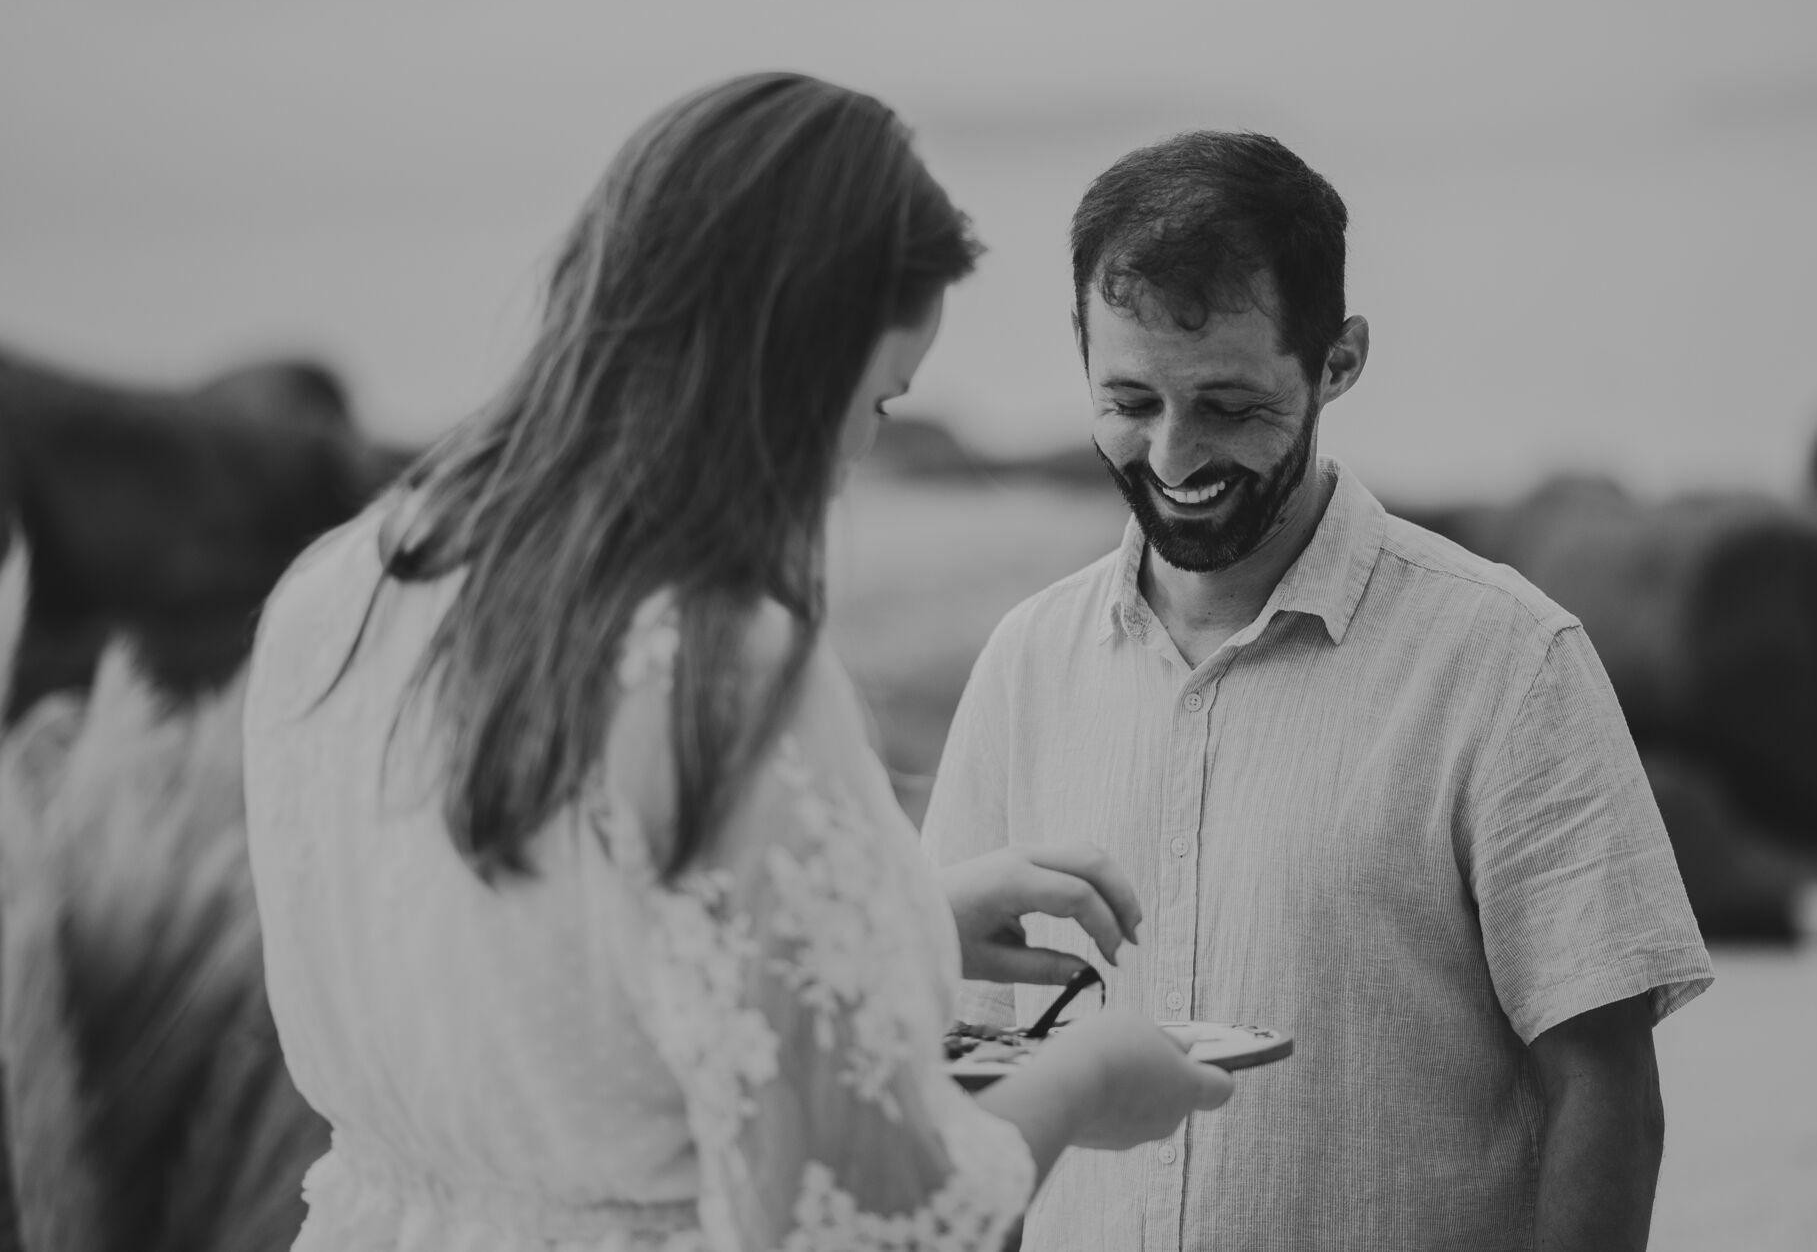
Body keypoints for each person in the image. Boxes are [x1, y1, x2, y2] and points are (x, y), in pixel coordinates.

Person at [241, 72, 1232, 1251]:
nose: (855, 459)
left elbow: (538, 969)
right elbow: (859, 1218)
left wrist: (896, 925)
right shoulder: (716, 666)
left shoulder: (338, 595)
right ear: (795, 367)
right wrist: (1090, 1081)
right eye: (878, 402)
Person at [921, 130, 1715, 1252]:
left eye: (1230, 405)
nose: (1174, 457)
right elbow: (964, 1072)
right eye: (1130, 400)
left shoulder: (1508, 661)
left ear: (1338, 361)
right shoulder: (1024, 662)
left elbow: (1608, 1093)